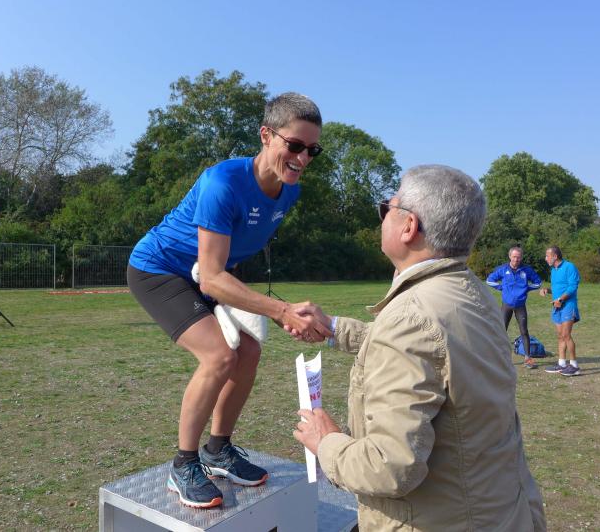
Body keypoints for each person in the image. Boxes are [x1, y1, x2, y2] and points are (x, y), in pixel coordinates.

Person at [290, 165, 546, 531]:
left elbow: (389, 467)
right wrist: (332, 328)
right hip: (498, 511)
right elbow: (433, 351)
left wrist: (326, 443)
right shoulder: (471, 293)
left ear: (409, 226)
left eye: (387, 207)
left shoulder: (411, 319)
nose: (382, 216)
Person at [127, 93, 331, 508]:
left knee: (249, 351)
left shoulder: (289, 192)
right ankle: (184, 465)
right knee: (219, 356)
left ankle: (217, 450)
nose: (302, 159)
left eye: (312, 150)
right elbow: (212, 275)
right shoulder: (222, 183)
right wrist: (281, 310)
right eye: (294, 145)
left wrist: (275, 311)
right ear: (266, 135)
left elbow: (229, 257)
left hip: (211, 272)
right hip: (159, 269)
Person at [487, 246, 543, 368]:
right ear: (510, 256)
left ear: (521, 257)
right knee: (502, 331)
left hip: (520, 306)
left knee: (524, 331)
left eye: (518, 257)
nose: (516, 259)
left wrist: (527, 289)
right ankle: (498, 358)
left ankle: (528, 358)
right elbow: (489, 280)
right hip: (506, 305)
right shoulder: (503, 269)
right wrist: (501, 288)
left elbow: (538, 282)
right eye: (514, 257)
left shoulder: (526, 270)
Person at [539, 246, 581, 376]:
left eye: (547, 256)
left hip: (568, 305)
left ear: (555, 256)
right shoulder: (553, 270)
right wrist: (547, 290)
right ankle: (561, 364)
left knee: (566, 335)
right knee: (560, 335)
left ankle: (574, 366)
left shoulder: (569, 267)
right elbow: (558, 288)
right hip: (557, 306)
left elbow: (572, 287)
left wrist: (561, 300)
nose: (546, 259)